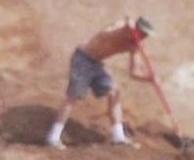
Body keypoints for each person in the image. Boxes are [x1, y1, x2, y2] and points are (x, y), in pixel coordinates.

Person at [46, 15, 156, 149]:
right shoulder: (120, 27)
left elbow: (134, 72)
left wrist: (150, 78)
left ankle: (118, 137)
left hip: (96, 64)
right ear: (137, 29)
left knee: (114, 93)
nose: (145, 37)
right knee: (74, 97)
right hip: (82, 58)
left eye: (147, 35)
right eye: (143, 34)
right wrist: (127, 28)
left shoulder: (134, 46)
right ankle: (53, 137)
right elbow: (107, 32)